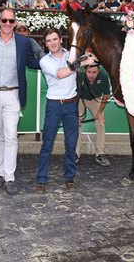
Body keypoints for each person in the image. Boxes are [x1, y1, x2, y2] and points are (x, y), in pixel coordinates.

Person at [0, 8, 40, 195]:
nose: (7, 24)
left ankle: (10, 176)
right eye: (4, 20)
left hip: (13, 95)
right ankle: (0, 174)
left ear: (15, 23)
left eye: (11, 21)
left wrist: (58, 61)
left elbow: (34, 62)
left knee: (11, 136)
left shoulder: (23, 42)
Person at [35, 28, 88, 194]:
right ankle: (41, 179)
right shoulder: (45, 61)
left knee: (71, 145)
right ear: (45, 43)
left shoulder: (70, 55)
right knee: (47, 144)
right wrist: (80, 63)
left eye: (55, 39)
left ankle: (69, 177)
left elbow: (86, 57)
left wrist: (88, 57)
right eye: (49, 40)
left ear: (61, 40)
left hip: (71, 105)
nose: (52, 43)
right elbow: (60, 74)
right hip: (54, 106)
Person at [76, 63, 111, 167]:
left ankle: (100, 154)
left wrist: (99, 112)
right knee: (76, 124)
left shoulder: (104, 75)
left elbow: (106, 94)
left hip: (95, 98)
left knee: (100, 123)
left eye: (94, 72)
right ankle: (75, 154)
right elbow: (73, 93)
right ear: (85, 70)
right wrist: (75, 114)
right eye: (89, 72)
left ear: (98, 71)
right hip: (80, 99)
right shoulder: (79, 73)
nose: (91, 75)